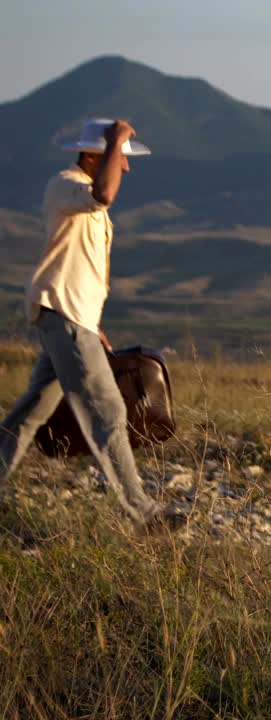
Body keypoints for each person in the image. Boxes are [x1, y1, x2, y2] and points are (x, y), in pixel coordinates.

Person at [0, 118, 177, 531]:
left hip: (71, 318)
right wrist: (117, 139)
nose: (126, 166)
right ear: (96, 156)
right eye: (120, 157)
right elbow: (105, 193)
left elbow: (78, 264)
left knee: (31, 413)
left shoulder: (80, 196)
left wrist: (91, 324)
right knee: (109, 412)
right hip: (64, 317)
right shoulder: (66, 185)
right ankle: (145, 515)